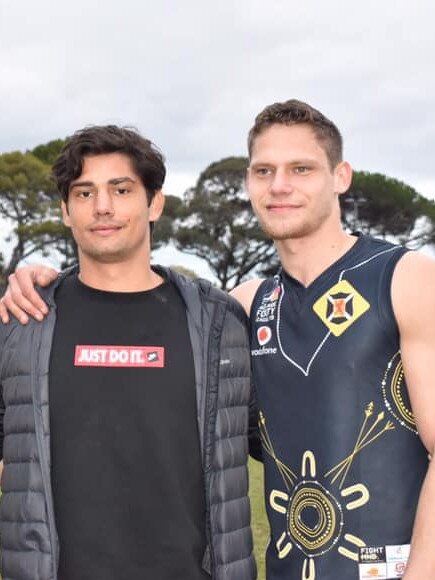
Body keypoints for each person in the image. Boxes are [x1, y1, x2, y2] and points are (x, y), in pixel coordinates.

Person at [2, 100, 435, 580]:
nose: (280, 186)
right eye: (264, 170)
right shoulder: (242, 308)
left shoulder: (402, 279)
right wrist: (32, 281)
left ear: (341, 176)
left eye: (301, 169)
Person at [0, 125, 259, 580]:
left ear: (154, 202)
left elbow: (284, 442)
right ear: (64, 211)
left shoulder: (221, 323)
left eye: (121, 189)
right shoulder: (22, 324)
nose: (102, 207)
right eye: (84, 194)